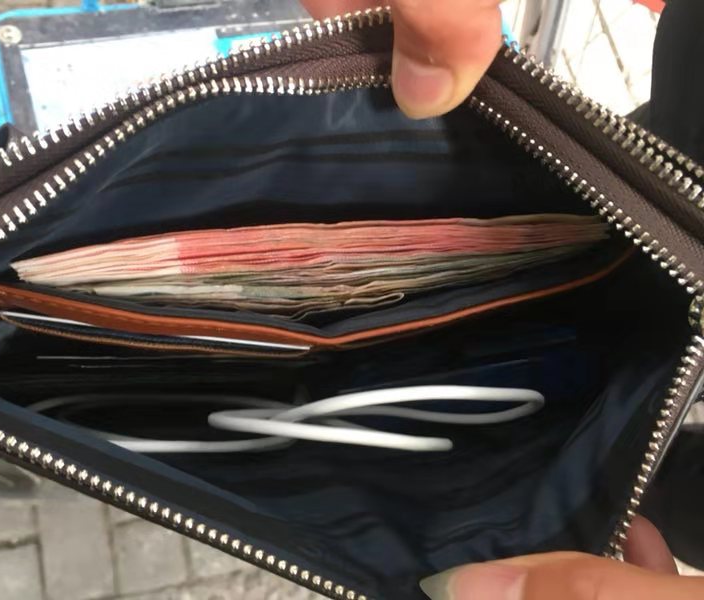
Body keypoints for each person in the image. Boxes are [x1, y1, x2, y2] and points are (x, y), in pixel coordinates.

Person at [298, 1, 704, 599]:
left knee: (647, 463)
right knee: (650, 472)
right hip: (668, 184)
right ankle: (617, 468)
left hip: (669, 208)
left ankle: (618, 465)